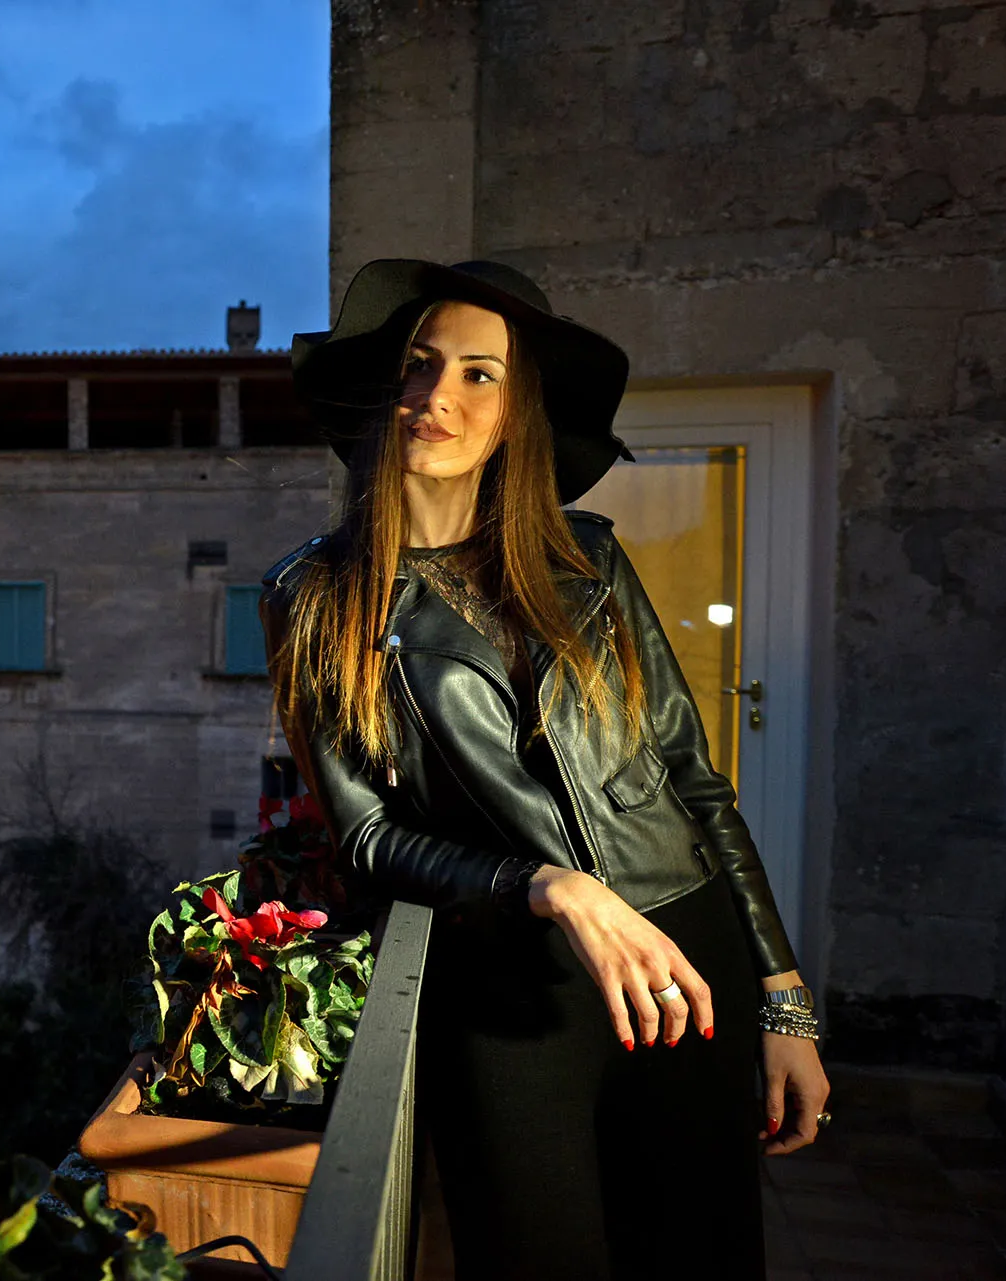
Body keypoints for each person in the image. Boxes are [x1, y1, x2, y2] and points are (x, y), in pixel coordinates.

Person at [258, 260, 831, 1280]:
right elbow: (368, 838)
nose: (437, 395)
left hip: (681, 958)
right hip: (509, 988)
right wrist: (547, 885)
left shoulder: (590, 559)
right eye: (420, 364)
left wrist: (783, 1006)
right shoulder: (313, 595)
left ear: (516, 414)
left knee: (700, 1258)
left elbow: (693, 784)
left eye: (479, 374)